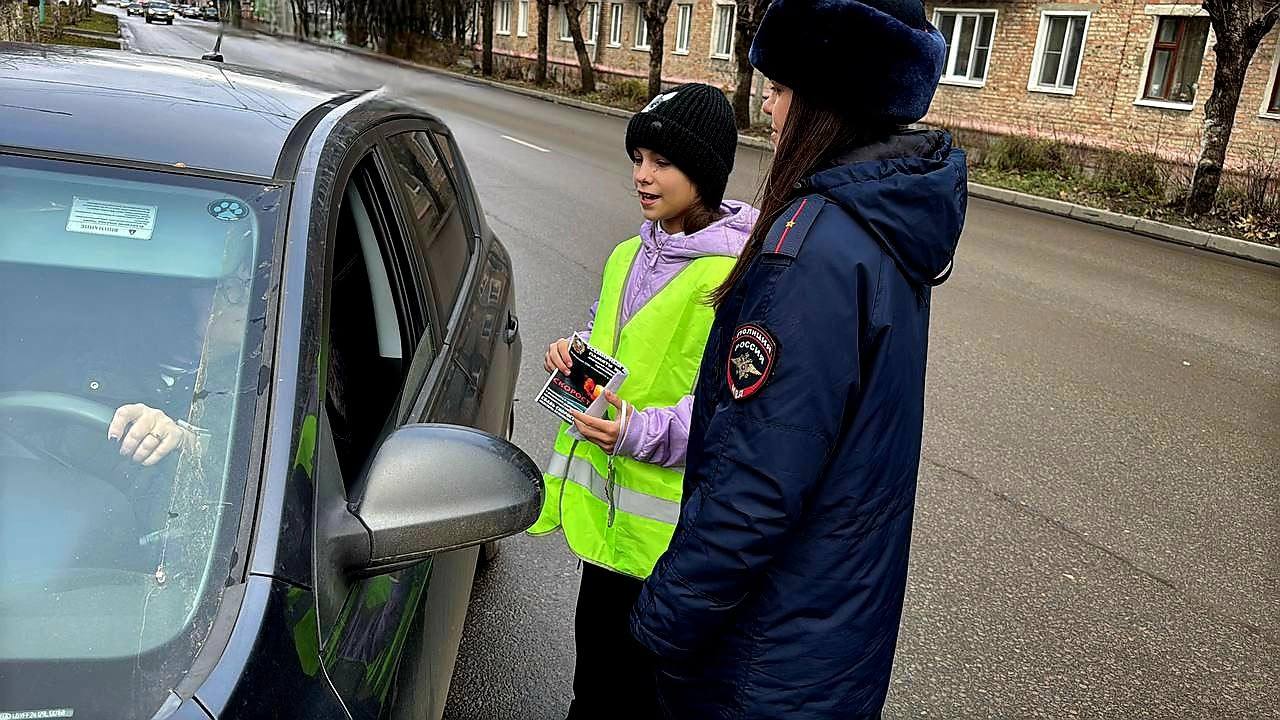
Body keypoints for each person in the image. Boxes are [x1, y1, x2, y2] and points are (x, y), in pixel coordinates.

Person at [627, 1, 967, 718]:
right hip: (831, 634)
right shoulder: (881, 225)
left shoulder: (810, 251)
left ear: (825, 103)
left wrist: (661, 618)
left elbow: (755, 485)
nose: (770, 112)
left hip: (764, 661)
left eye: (781, 92)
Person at [528, 83, 759, 720]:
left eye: (661, 162)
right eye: (638, 158)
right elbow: (619, 347)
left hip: (667, 545)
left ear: (704, 174)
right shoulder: (629, 253)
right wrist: (571, 354)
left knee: (638, 699)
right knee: (592, 688)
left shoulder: (729, 278)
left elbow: (727, 413)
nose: (642, 175)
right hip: (606, 532)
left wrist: (635, 431)